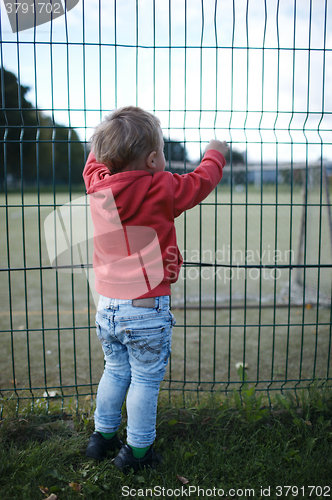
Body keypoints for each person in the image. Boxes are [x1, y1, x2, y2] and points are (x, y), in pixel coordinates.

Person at [83, 106, 228, 473]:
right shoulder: (161, 187)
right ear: (151, 160)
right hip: (146, 308)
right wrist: (216, 152)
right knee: (145, 380)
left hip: (107, 306)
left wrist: (109, 137)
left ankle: (101, 438)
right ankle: (139, 452)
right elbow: (201, 180)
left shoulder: (97, 184)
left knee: (114, 370)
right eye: (162, 152)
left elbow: (93, 162)